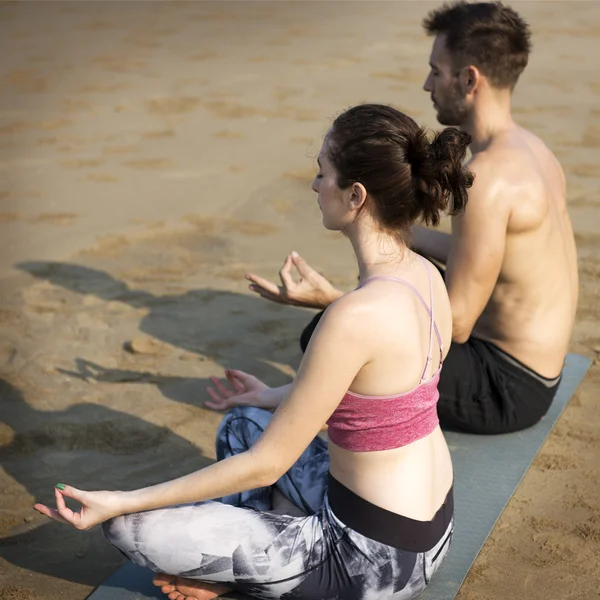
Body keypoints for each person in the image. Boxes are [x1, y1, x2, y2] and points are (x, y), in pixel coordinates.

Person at [34, 104, 473, 600]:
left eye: (321, 172)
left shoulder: (352, 315)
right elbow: (381, 389)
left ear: (356, 195)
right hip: (432, 534)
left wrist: (119, 501)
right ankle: (272, 549)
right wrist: (270, 396)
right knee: (242, 421)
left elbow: (267, 465)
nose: (313, 186)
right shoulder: (425, 276)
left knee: (131, 530)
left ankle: (248, 579)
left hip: (371, 563)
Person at [246, 1, 579, 436]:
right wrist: (395, 229)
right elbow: (486, 257)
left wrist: (335, 302)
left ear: (469, 79)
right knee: (402, 273)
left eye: (435, 72)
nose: (427, 84)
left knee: (324, 331)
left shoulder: (489, 180)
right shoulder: (531, 149)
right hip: (534, 368)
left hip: (506, 389)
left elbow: (457, 323)